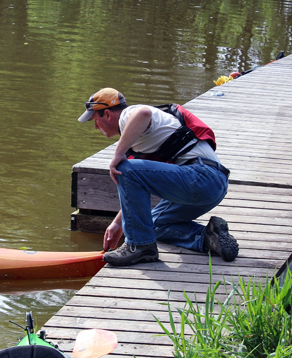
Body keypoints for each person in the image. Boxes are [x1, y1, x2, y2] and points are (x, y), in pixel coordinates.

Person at [78, 88, 239, 267]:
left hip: (201, 178)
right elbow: (134, 188)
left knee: (124, 167)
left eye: (95, 120)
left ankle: (139, 246)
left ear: (107, 114)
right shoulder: (138, 137)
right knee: (154, 225)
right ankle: (209, 238)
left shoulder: (127, 115)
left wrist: (117, 155)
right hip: (211, 186)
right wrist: (118, 224)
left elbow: (143, 113)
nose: (95, 127)